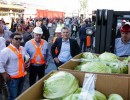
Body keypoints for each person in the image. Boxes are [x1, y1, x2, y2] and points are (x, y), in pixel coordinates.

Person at [0, 33, 30, 100]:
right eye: (16, 38)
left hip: (22, 76)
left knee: (19, 95)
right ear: (11, 40)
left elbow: (26, 55)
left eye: (20, 39)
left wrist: (28, 61)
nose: (18, 40)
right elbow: (0, 64)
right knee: (13, 96)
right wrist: (4, 74)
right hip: (13, 79)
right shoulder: (5, 51)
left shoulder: (22, 48)